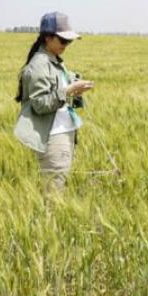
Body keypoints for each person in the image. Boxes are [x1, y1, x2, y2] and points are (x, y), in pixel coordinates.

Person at [14, 12, 94, 191]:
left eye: (69, 41)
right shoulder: (39, 65)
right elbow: (39, 104)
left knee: (59, 187)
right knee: (54, 193)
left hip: (65, 132)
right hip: (53, 136)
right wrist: (68, 91)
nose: (66, 45)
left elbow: (61, 95)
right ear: (48, 38)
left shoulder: (55, 62)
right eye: (63, 40)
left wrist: (76, 89)